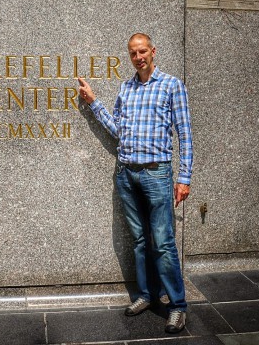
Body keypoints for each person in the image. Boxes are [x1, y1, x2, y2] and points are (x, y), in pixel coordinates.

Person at [78, 33, 193, 334]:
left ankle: (178, 306)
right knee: (140, 241)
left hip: (157, 174)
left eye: (143, 51)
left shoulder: (171, 86)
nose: (139, 57)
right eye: (133, 53)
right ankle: (146, 295)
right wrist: (93, 103)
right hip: (127, 173)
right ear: (129, 56)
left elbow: (185, 134)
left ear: (153, 51)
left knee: (164, 243)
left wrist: (184, 176)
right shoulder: (126, 89)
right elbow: (118, 130)